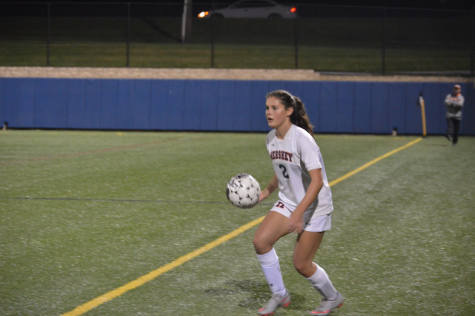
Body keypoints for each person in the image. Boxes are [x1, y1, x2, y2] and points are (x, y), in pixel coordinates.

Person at [254, 90, 343, 316]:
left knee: (302, 264)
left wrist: (298, 215)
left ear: (289, 111)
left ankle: (332, 298)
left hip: (315, 206)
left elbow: (317, 181)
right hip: (289, 202)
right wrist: (266, 191)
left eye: (275, 108)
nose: (269, 112)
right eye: (267, 108)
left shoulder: (302, 139)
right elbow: (282, 170)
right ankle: (280, 294)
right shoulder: (271, 138)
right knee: (261, 241)